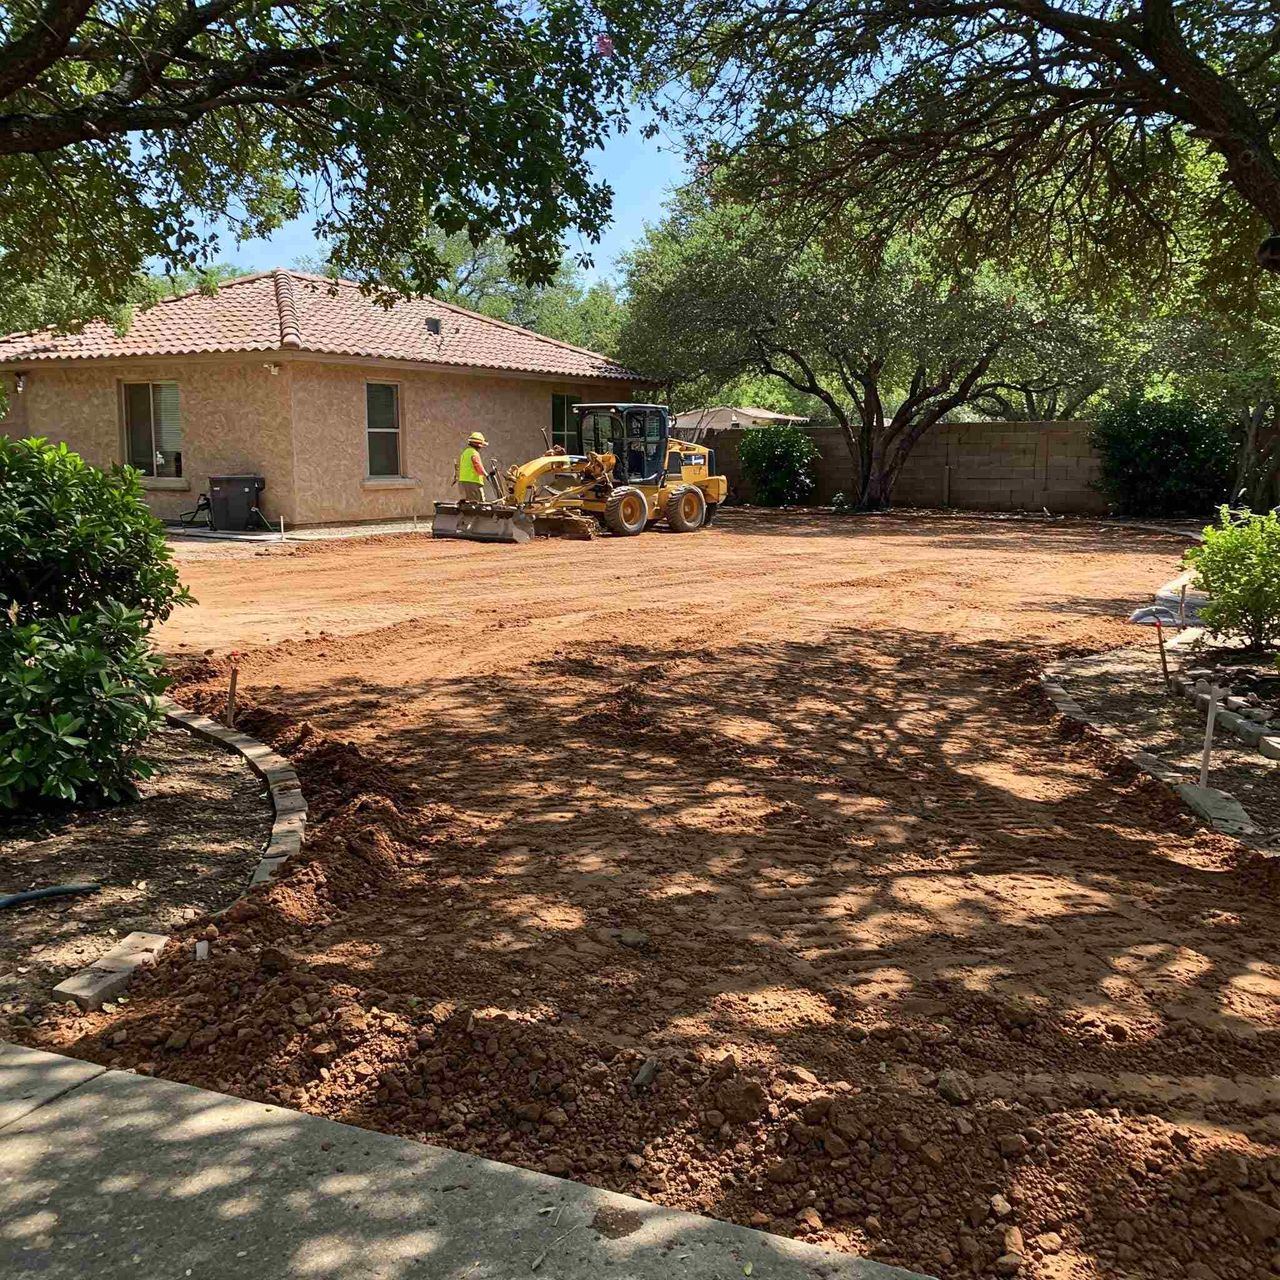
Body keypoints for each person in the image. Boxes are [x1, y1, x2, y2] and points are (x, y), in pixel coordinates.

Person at [457, 431, 489, 503]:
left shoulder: (465, 452)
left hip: (463, 482)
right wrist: (486, 475)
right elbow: (477, 466)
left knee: (468, 503)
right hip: (473, 482)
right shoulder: (474, 453)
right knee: (478, 503)